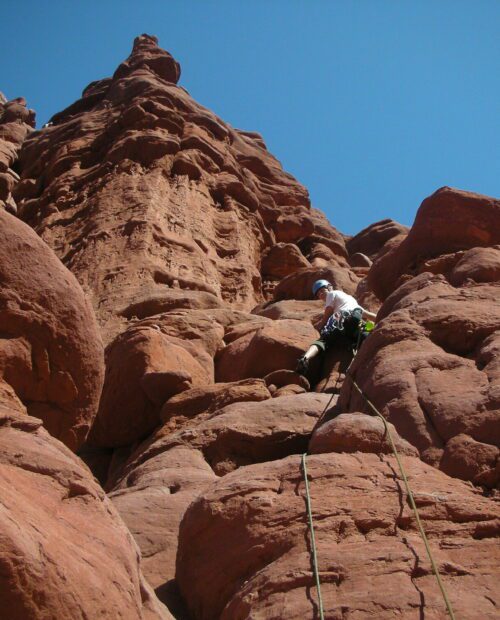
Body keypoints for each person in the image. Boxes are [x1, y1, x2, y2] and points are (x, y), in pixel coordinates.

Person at [296, 279, 377, 374]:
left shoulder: (332, 293)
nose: (321, 295)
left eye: (322, 290)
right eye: (318, 294)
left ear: (329, 287)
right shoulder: (352, 300)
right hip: (354, 319)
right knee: (363, 335)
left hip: (341, 317)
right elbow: (370, 315)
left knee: (323, 340)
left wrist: (320, 325)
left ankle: (305, 358)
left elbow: (328, 311)